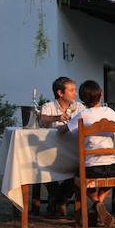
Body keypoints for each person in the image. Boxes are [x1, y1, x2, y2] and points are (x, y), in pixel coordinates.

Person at [58, 80, 115, 228]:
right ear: (100, 95)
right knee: (111, 178)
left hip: (92, 168)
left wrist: (63, 124)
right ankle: (98, 204)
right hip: (113, 167)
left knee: (77, 178)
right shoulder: (109, 112)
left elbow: (62, 131)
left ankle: (96, 203)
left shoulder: (82, 115)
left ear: (82, 99)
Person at [39, 77, 86, 215]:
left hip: (72, 155)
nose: (75, 93)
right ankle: (61, 199)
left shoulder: (80, 107)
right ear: (60, 93)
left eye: (74, 90)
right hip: (50, 155)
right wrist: (56, 118)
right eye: (71, 90)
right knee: (41, 165)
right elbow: (41, 118)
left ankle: (58, 199)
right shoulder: (48, 107)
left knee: (80, 168)